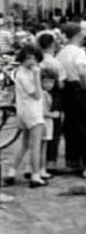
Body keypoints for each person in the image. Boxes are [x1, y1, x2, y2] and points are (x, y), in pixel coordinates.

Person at [56, 22, 86, 177]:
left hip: (66, 89)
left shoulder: (61, 52)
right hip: (78, 88)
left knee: (71, 125)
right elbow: (81, 70)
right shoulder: (79, 52)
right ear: (78, 35)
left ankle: (72, 160)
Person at [4, 44, 46, 188]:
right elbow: (37, 95)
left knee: (25, 144)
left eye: (34, 58)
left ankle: (12, 171)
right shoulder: (25, 74)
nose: (32, 61)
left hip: (22, 111)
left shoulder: (19, 72)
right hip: (33, 112)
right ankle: (35, 175)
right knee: (35, 145)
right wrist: (37, 76)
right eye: (28, 58)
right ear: (23, 59)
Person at [37, 33, 66, 172]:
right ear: (52, 45)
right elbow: (61, 83)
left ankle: (38, 163)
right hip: (54, 98)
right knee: (54, 132)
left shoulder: (37, 61)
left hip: (38, 97)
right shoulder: (55, 62)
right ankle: (51, 162)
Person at [39, 68, 60, 180]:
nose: (49, 84)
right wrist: (53, 115)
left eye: (51, 82)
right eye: (46, 82)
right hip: (44, 122)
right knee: (41, 147)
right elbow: (42, 111)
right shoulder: (43, 94)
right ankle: (40, 169)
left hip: (47, 123)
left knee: (43, 147)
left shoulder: (47, 93)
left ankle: (41, 169)